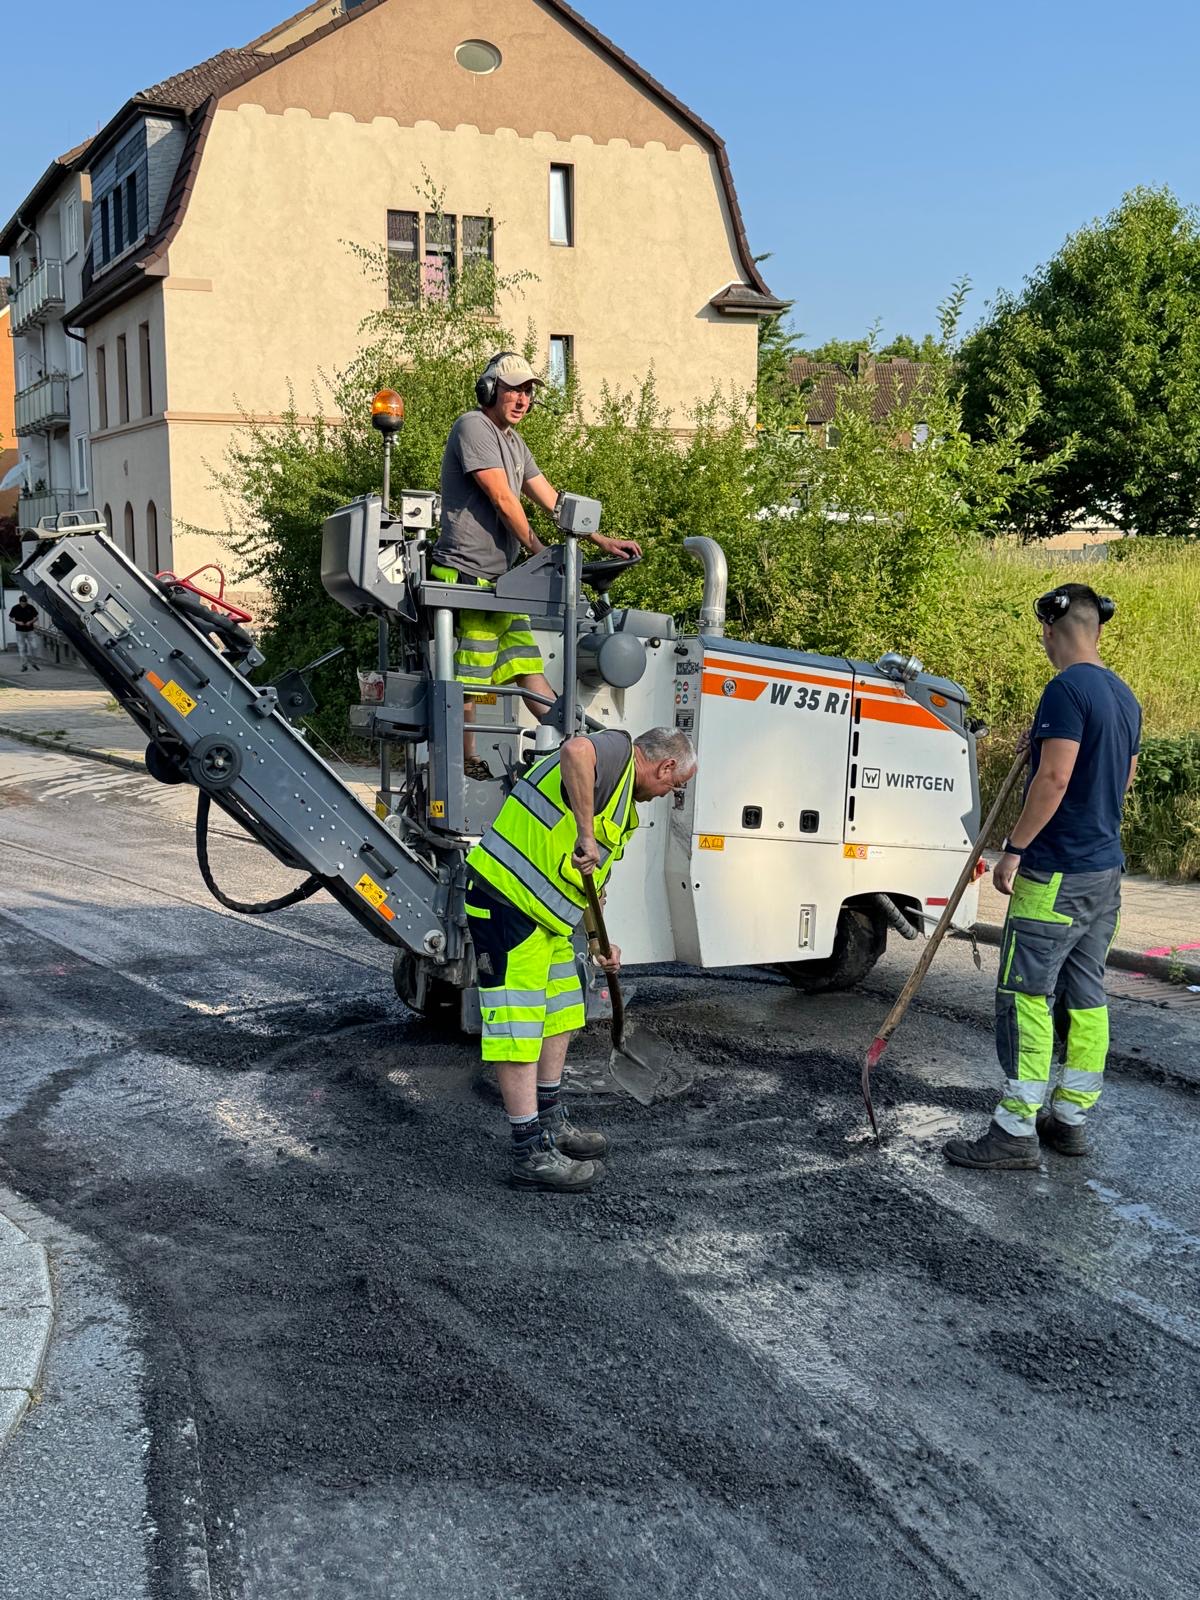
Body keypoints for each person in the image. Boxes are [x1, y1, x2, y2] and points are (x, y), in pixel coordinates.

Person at [944, 583, 1141, 1172]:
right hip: (1104, 873)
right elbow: (1125, 777)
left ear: (1053, 631)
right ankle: (1071, 1119)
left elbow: (1054, 780)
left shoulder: (1065, 690)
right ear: (1097, 629)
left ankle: (1014, 1130)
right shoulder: (1123, 695)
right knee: (1086, 996)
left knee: (1025, 995)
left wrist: (1015, 849)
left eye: (1044, 636)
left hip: (1055, 873)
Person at [465, 725, 698, 1191]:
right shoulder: (616, 753)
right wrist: (586, 833)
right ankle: (528, 1153)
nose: (668, 794)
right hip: (508, 905)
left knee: (562, 1014)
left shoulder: (623, 805)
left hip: (548, 920)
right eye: (674, 786)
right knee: (517, 1028)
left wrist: (597, 940)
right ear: (665, 765)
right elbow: (574, 750)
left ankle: (550, 1119)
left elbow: (587, 884)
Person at [431, 351, 640, 779]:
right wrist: (540, 551)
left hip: (503, 585)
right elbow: (503, 498)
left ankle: (575, 749)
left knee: (528, 668)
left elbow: (552, 500)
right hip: (469, 579)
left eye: (528, 391)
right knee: (470, 677)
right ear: (490, 390)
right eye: (514, 390)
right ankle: (464, 763)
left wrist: (600, 538)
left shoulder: (514, 443)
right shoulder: (473, 427)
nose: (523, 399)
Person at [7, 596, 41, 672]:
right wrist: (17, 622)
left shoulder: (30, 607)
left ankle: (33, 663)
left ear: (26, 602)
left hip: (30, 630)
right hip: (20, 631)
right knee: (22, 649)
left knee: (34, 646)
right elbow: (10, 619)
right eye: (22, 603)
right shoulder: (15, 608)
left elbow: (36, 617)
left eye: (25, 603)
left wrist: (31, 622)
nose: (23, 605)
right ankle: (24, 665)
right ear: (19, 602)